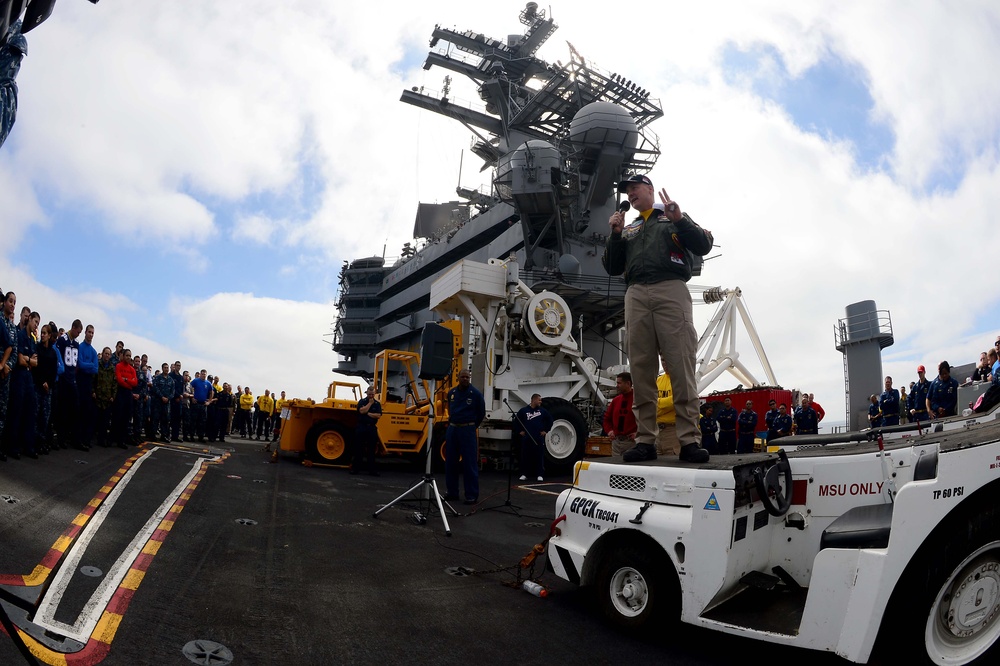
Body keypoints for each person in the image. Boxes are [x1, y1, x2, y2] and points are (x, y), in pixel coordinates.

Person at [603, 174, 713, 463]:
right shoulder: (630, 228)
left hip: (670, 288)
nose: (630, 193)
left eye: (634, 188)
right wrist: (615, 234)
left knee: (680, 365)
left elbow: (703, 245)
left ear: (650, 189)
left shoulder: (672, 217)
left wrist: (680, 219)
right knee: (641, 369)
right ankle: (645, 441)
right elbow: (613, 267)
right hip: (636, 293)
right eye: (627, 190)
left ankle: (689, 440)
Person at [444, 368, 486, 505]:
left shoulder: (476, 394)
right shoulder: (452, 393)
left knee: (469, 463)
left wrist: (471, 426)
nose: (465, 379)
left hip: (467, 430)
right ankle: (452, 492)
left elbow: (481, 413)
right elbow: (450, 409)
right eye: (463, 377)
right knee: (450, 462)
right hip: (453, 429)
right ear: (458, 378)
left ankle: (471, 495)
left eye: (467, 377)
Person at [33, 322, 58, 454]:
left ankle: (42, 442)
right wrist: (42, 381)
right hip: (37, 386)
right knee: (36, 415)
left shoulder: (53, 353)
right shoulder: (37, 349)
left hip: (48, 389)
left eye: (45, 333)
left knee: (45, 416)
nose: (42, 335)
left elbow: (54, 371)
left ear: (49, 335)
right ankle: (34, 443)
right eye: (41, 333)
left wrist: (49, 383)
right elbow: (36, 368)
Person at [516, 393, 552, 482]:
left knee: (539, 456)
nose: (540, 401)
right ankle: (524, 474)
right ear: (534, 400)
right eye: (539, 400)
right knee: (525, 456)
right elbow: (516, 421)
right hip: (527, 438)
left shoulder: (542, 411)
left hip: (538, 437)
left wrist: (546, 430)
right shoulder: (523, 411)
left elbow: (550, 420)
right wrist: (520, 431)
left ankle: (540, 474)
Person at [602, 372, 637, 456]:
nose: (617, 385)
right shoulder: (616, 400)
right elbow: (606, 418)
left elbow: (645, 419)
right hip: (616, 443)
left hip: (631, 443)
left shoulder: (637, 399)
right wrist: (609, 431)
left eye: (619, 383)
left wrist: (638, 433)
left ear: (628, 383)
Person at [351, 386, 382, 476]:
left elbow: (378, 415)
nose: (371, 396)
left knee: (371, 450)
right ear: (367, 393)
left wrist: (367, 413)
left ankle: (372, 471)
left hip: (371, 428)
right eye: (369, 394)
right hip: (361, 427)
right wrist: (369, 405)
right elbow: (361, 411)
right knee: (358, 449)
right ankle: (355, 469)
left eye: (372, 394)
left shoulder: (377, 404)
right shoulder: (362, 401)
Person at [112, 349, 137, 449]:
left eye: (130, 356)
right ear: (123, 356)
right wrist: (128, 381)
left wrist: (126, 379)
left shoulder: (132, 369)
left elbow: (135, 383)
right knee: (117, 416)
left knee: (126, 418)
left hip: (128, 394)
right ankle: (113, 438)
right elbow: (119, 380)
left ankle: (121, 440)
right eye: (127, 355)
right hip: (120, 392)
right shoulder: (118, 366)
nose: (128, 357)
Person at [93, 347, 116, 447]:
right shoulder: (97, 365)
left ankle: (102, 440)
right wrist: (92, 391)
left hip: (107, 398)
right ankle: (91, 439)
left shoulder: (112, 368)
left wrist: (113, 396)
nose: (107, 355)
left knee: (105, 422)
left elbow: (115, 384)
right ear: (102, 354)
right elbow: (93, 379)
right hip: (97, 397)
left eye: (108, 354)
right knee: (94, 419)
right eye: (105, 353)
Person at [151, 363, 173, 442]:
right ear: (162, 368)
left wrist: (168, 398)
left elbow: (172, 392)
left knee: (165, 420)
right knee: (155, 419)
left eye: (167, 368)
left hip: (166, 403)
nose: (166, 369)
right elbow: (155, 388)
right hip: (158, 402)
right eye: (165, 368)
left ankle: (164, 436)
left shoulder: (171, 380)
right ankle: (153, 435)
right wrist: (161, 397)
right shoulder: (157, 378)